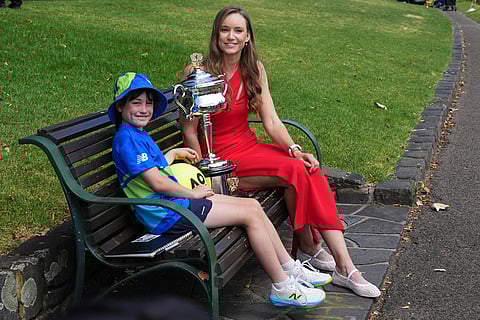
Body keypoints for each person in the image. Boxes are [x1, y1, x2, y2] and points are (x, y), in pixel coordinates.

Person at [180, 6, 381, 298]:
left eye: (238, 30)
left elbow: (271, 121)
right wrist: (201, 173)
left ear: (248, 37)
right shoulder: (199, 72)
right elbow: (189, 130)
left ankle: (339, 262)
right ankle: (325, 255)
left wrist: (294, 148)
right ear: (216, 34)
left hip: (249, 147)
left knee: (305, 167)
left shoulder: (254, 69)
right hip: (224, 160)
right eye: (225, 29)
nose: (231, 36)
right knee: (296, 172)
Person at [108, 72, 334, 308]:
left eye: (149, 102)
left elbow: (151, 171)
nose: (144, 108)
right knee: (250, 215)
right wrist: (192, 193)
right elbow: (157, 183)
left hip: (174, 206)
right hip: (167, 214)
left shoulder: (135, 135)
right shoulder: (128, 139)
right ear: (121, 106)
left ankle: (290, 269)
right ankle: (282, 286)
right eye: (136, 102)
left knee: (254, 206)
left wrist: (173, 154)